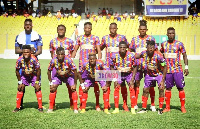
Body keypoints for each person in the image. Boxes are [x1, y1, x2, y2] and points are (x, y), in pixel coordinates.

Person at [71, 22, 102, 111]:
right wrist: (71, 60)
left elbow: (99, 51)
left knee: (96, 83)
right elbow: (75, 50)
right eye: (86, 28)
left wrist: (99, 61)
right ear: (84, 29)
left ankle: (97, 104)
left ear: (91, 29)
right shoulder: (80, 38)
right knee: (83, 83)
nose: (87, 29)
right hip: (83, 65)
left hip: (94, 66)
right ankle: (82, 104)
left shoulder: (95, 38)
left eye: (89, 28)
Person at [15, 18, 43, 109]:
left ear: (32, 25)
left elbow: (39, 50)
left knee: (37, 85)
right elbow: (16, 50)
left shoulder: (37, 36)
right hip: (22, 64)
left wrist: (32, 54)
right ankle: (20, 105)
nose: (28, 26)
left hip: (34, 64)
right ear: (24, 25)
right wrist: (26, 51)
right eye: (26, 24)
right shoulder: (19, 36)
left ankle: (40, 106)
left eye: (29, 24)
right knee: (21, 85)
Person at [129, 20, 157, 111]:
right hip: (137, 66)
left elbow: (155, 51)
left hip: (149, 66)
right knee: (137, 83)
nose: (142, 31)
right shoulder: (134, 39)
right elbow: (130, 50)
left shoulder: (151, 39)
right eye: (141, 29)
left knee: (151, 85)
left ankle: (152, 104)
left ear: (146, 29)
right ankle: (135, 103)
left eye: (144, 29)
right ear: (138, 30)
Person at [100, 22, 129, 111]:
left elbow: (128, 48)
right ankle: (107, 104)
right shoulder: (105, 38)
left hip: (120, 65)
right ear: (109, 29)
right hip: (108, 65)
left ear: (117, 29)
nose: (113, 30)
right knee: (107, 83)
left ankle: (125, 105)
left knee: (122, 84)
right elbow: (100, 49)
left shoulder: (122, 37)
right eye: (111, 28)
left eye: (114, 28)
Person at [160, 27, 189, 113]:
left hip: (177, 70)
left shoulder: (179, 44)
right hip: (167, 71)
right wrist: (161, 66)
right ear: (167, 34)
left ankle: (182, 107)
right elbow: (161, 54)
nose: (171, 35)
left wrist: (186, 67)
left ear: (175, 34)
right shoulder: (163, 44)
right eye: (169, 33)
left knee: (180, 88)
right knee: (168, 88)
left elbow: (184, 55)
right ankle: (167, 107)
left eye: (172, 33)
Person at [136, 40, 167, 115]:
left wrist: (163, 80)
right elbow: (136, 56)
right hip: (149, 75)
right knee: (145, 90)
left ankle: (160, 109)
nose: (150, 49)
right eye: (149, 47)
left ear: (154, 48)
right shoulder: (144, 53)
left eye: (152, 47)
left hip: (158, 74)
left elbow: (165, 66)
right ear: (146, 48)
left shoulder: (158, 55)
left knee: (161, 89)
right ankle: (144, 108)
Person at [49, 24, 75, 110]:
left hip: (67, 67)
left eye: (62, 29)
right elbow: (52, 54)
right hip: (56, 68)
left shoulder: (70, 41)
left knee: (70, 86)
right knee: (53, 86)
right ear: (57, 30)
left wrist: (68, 67)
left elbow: (71, 53)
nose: (61, 31)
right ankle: (52, 105)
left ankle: (72, 104)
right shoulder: (52, 42)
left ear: (65, 31)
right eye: (59, 29)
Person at [47, 47, 78, 113]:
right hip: (58, 76)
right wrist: (50, 82)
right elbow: (49, 71)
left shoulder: (68, 60)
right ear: (56, 54)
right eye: (59, 54)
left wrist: (75, 84)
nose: (60, 56)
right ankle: (51, 107)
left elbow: (75, 71)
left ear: (64, 54)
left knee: (73, 88)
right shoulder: (53, 60)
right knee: (52, 88)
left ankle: (75, 108)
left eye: (62, 54)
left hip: (69, 76)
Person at [110, 41, 137, 114]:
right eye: (121, 47)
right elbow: (112, 66)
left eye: (124, 48)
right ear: (119, 48)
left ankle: (132, 108)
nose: (122, 49)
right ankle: (116, 108)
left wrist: (132, 78)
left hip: (129, 74)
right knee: (116, 88)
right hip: (118, 74)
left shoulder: (131, 55)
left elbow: (135, 67)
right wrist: (114, 78)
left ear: (126, 48)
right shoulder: (114, 55)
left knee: (131, 88)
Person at [13, 45, 43, 112]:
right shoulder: (19, 59)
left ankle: (40, 107)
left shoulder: (34, 59)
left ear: (30, 52)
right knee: (21, 88)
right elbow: (17, 70)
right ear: (22, 52)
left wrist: (37, 82)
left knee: (37, 88)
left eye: (27, 52)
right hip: (25, 75)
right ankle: (18, 107)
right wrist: (20, 82)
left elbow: (38, 70)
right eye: (24, 52)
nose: (26, 54)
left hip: (34, 75)